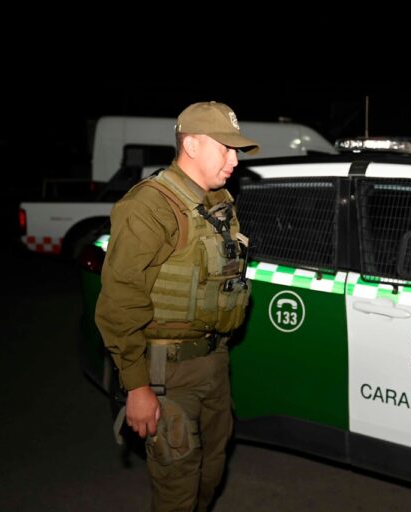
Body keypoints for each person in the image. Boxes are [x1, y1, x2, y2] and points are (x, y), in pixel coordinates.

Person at [95, 101, 259, 511]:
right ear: (191, 144)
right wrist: (136, 386)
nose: (235, 160)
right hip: (165, 373)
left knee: (210, 474)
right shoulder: (150, 207)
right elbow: (119, 303)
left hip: (213, 361)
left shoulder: (217, 201)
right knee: (177, 489)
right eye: (226, 148)